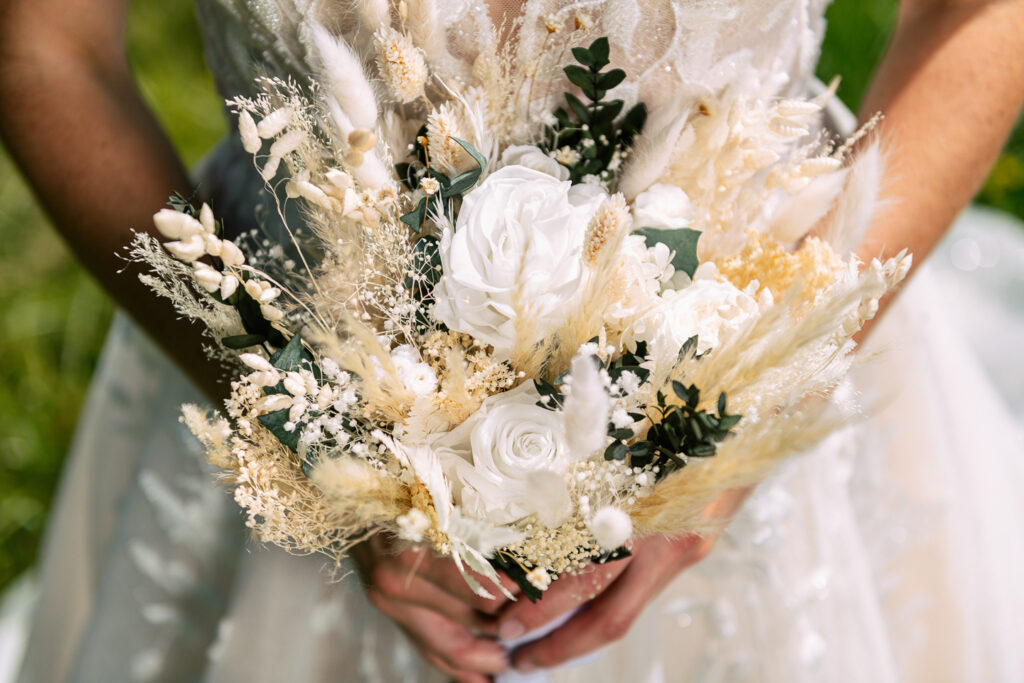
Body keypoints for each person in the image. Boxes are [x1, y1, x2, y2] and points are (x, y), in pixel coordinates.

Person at [2, 1, 1023, 681]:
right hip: (283, 393)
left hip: (758, 441)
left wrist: (744, 410)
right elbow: (50, 47)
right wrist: (297, 422)